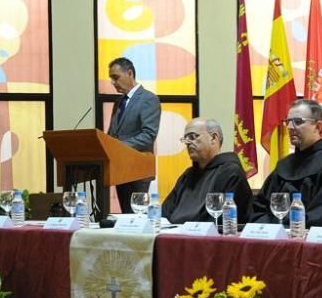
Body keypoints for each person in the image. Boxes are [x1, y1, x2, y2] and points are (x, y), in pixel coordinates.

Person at [251, 98, 322, 228]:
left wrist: (281, 225)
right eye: (288, 122)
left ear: (318, 126)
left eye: (297, 122)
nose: (289, 127)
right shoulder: (284, 165)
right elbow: (259, 208)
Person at [161, 118, 252, 224]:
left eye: (193, 137)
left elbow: (223, 222)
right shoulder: (187, 176)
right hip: (175, 235)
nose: (188, 143)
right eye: (185, 139)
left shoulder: (230, 172)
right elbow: (165, 213)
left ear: (213, 138)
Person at [106, 57, 161, 213]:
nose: (113, 82)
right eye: (111, 78)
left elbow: (148, 135)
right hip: (120, 168)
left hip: (139, 167)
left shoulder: (148, 99)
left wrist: (117, 147)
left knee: (135, 217)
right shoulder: (119, 102)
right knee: (125, 215)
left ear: (129, 73)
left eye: (116, 77)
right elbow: (112, 134)